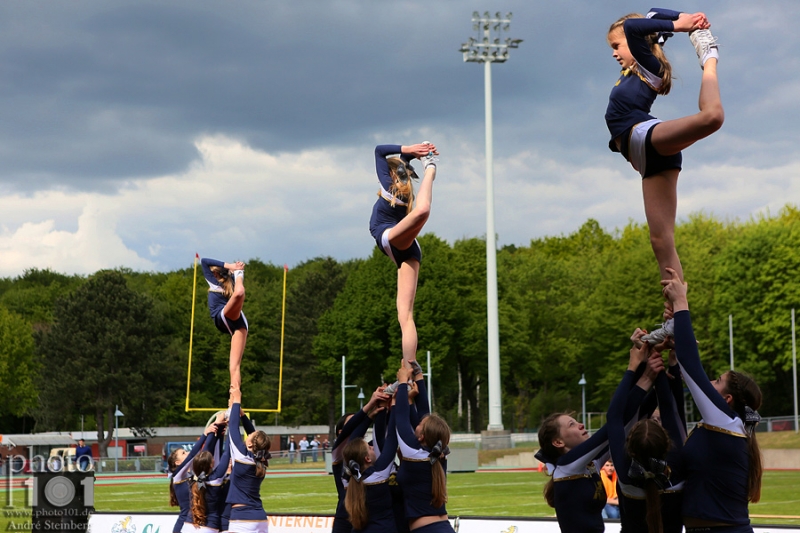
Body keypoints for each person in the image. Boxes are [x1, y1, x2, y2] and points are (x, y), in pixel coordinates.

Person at [605, 9, 724, 344]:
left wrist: (685, 26)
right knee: (661, 241)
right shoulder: (633, 68)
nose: (614, 52)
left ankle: (709, 56)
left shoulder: (648, 65)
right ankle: (675, 317)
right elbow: (652, 15)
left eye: (617, 45)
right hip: (646, 155)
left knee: (712, 117)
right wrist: (682, 17)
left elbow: (634, 25)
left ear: (635, 42)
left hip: (647, 137)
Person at [661, 267, 763, 531]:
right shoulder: (721, 426)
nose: (709, 382)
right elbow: (676, 419)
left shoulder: (728, 422)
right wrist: (673, 363)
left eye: (716, 380)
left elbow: (693, 367)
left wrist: (681, 303)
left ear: (727, 399)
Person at [369, 143, 439, 365]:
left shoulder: (389, 186)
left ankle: (431, 168)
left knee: (423, 211)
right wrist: (413, 153)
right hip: (407, 248)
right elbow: (400, 162)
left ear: (389, 173)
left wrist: (411, 149)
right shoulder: (402, 187)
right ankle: (410, 367)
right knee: (405, 315)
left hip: (392, 237)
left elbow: (379, 150)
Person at [393, 360, 453, 533]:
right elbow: (425, 413)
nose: (417, 422)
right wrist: (419, 376)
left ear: (421, 436)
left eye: (420, 424)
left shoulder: (414, 453)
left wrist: (403, 383)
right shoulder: (437, 454)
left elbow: (401, 418)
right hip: (441, 527)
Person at [331, 388, 390, 533]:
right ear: (341, 433)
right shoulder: (338, 453)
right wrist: (369, 408)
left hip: (367, 520)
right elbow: (351, 434)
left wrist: (384, 409)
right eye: (355, 422)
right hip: (345, 519)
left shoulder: (367, 451)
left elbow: (384, 436)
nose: (359, 425)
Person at [342, 408, 399, 533]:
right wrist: (394, 405)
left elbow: (351, 444)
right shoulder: (378, 474)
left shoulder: (347, 478)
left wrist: (372, 415)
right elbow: (391, 439)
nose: (373, 447)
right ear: (367, 458)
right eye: (369, 447)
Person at [226, 387, 271, 533]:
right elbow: (253, 435)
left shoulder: (242, 456)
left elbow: (233, 427)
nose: (248, 435)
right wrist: (243, 415)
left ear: (251, 444)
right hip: (260, 518)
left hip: (242, 518)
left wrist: (236, 401)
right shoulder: (260, 459)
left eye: (249, 437)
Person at [200, 256, 247, 392]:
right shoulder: (227, 283)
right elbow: (206, 262)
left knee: (234, 366)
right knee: (233, 367)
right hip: (236, 322)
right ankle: (235, 401)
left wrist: (232, 268)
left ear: (215, 274)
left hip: (225, 318)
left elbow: (204, 261)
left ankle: (235, 399)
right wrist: (233, 268)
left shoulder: (215, 283)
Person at [168, 424, 219, 533]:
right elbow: (192, 456)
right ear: (177, 463)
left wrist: (216, 435)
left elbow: (207, 455)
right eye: (183, 453)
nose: (187, 453)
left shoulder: (194, 475)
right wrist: (205, 435)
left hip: (196, 524)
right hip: (183, 526)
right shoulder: (177, 476)